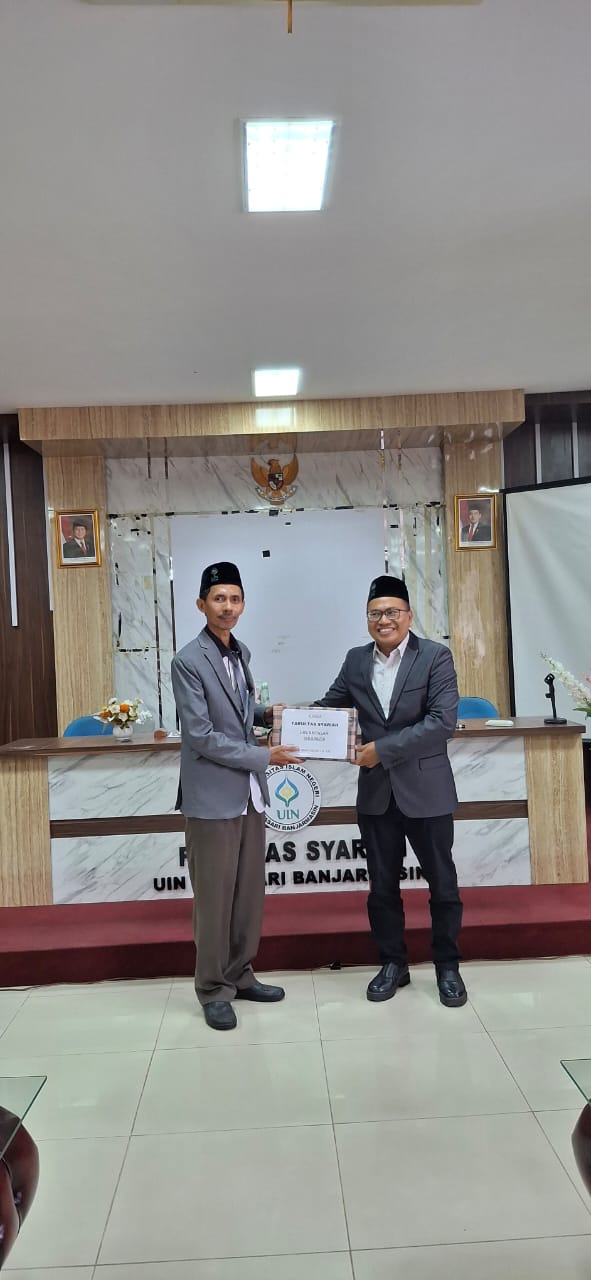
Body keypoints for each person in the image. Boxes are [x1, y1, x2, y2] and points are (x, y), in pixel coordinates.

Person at [314, 574, 466, 1008]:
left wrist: (381, 750)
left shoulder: (434, 656)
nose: (384, 620)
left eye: (392, 612)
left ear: (408, 616)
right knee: (382, 887)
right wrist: (282, 719)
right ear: (367, 619)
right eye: (375, 613)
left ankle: (447, 966)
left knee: (443, 885)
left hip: (427, 790)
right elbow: (330, 709)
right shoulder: (355, 660)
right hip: (377, 795)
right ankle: (393, 964)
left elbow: (441, 723)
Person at [171, 561, 299, 1032]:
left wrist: (267, 713)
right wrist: (265, 756)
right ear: (201, 604)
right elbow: (201, 735)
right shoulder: (188, 660)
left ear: (243, 604)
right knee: (214, 900)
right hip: (212, 797)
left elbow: (238, 714)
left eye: (235, 599)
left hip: (248, 796)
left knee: (247, 895)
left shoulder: (240, 652)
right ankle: (212, 989)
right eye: (219, 599)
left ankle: (241, 975)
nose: (228, 607)